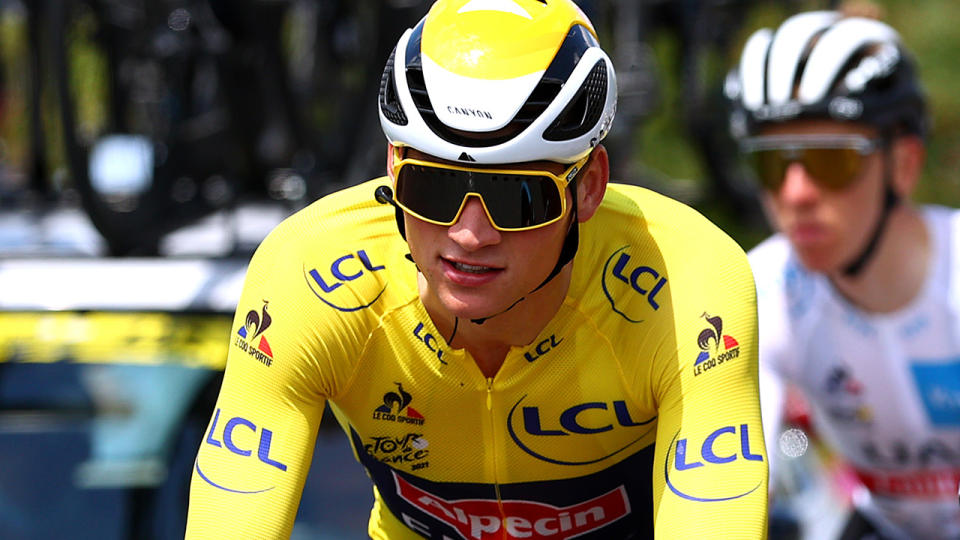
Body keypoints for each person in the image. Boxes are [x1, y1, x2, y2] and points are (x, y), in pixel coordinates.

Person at [186, 0, 767, 537]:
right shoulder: (308, 273)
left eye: (518, 199)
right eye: (432, 188)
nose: (469, 234)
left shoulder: (685, 277)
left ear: (589, 188)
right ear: (393, 170)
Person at [726, 8, 960, 540]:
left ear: (903, 165)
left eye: (831, 161)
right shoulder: (760, 290)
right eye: (771, 164)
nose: (796, 194)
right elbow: (734, 489)